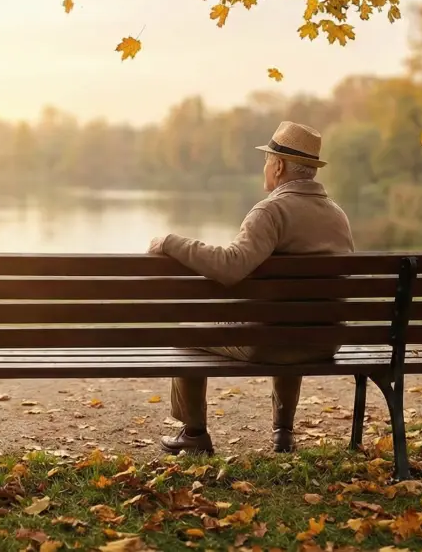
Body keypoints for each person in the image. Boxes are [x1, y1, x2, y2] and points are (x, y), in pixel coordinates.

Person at [147, 121, 354, 456]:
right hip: (324, 341)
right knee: (294, 318)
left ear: (279, 165)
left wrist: (171, 242)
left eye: (267, 159)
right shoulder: (337, 215)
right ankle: (283, 432)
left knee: (187, 332)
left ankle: (194, 433)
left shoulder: (271, 211)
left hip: (269, 344)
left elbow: (230, 266)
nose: (265, 166)